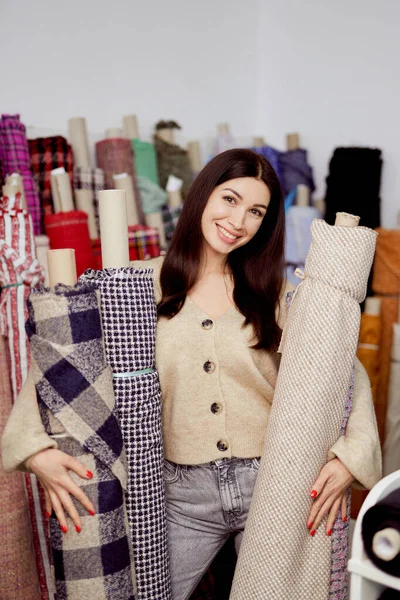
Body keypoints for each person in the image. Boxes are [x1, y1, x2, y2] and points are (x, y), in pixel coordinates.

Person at [2, 149, 381, 600]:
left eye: (256, 211)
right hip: (180, 495)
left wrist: (350, 456)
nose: (238, 220)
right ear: (203, 194)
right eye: (230, 199)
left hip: (275, 484)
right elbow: (62, 353)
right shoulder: (133, 284)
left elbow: (341, 370)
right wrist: (33, 449)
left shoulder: (275, 292)